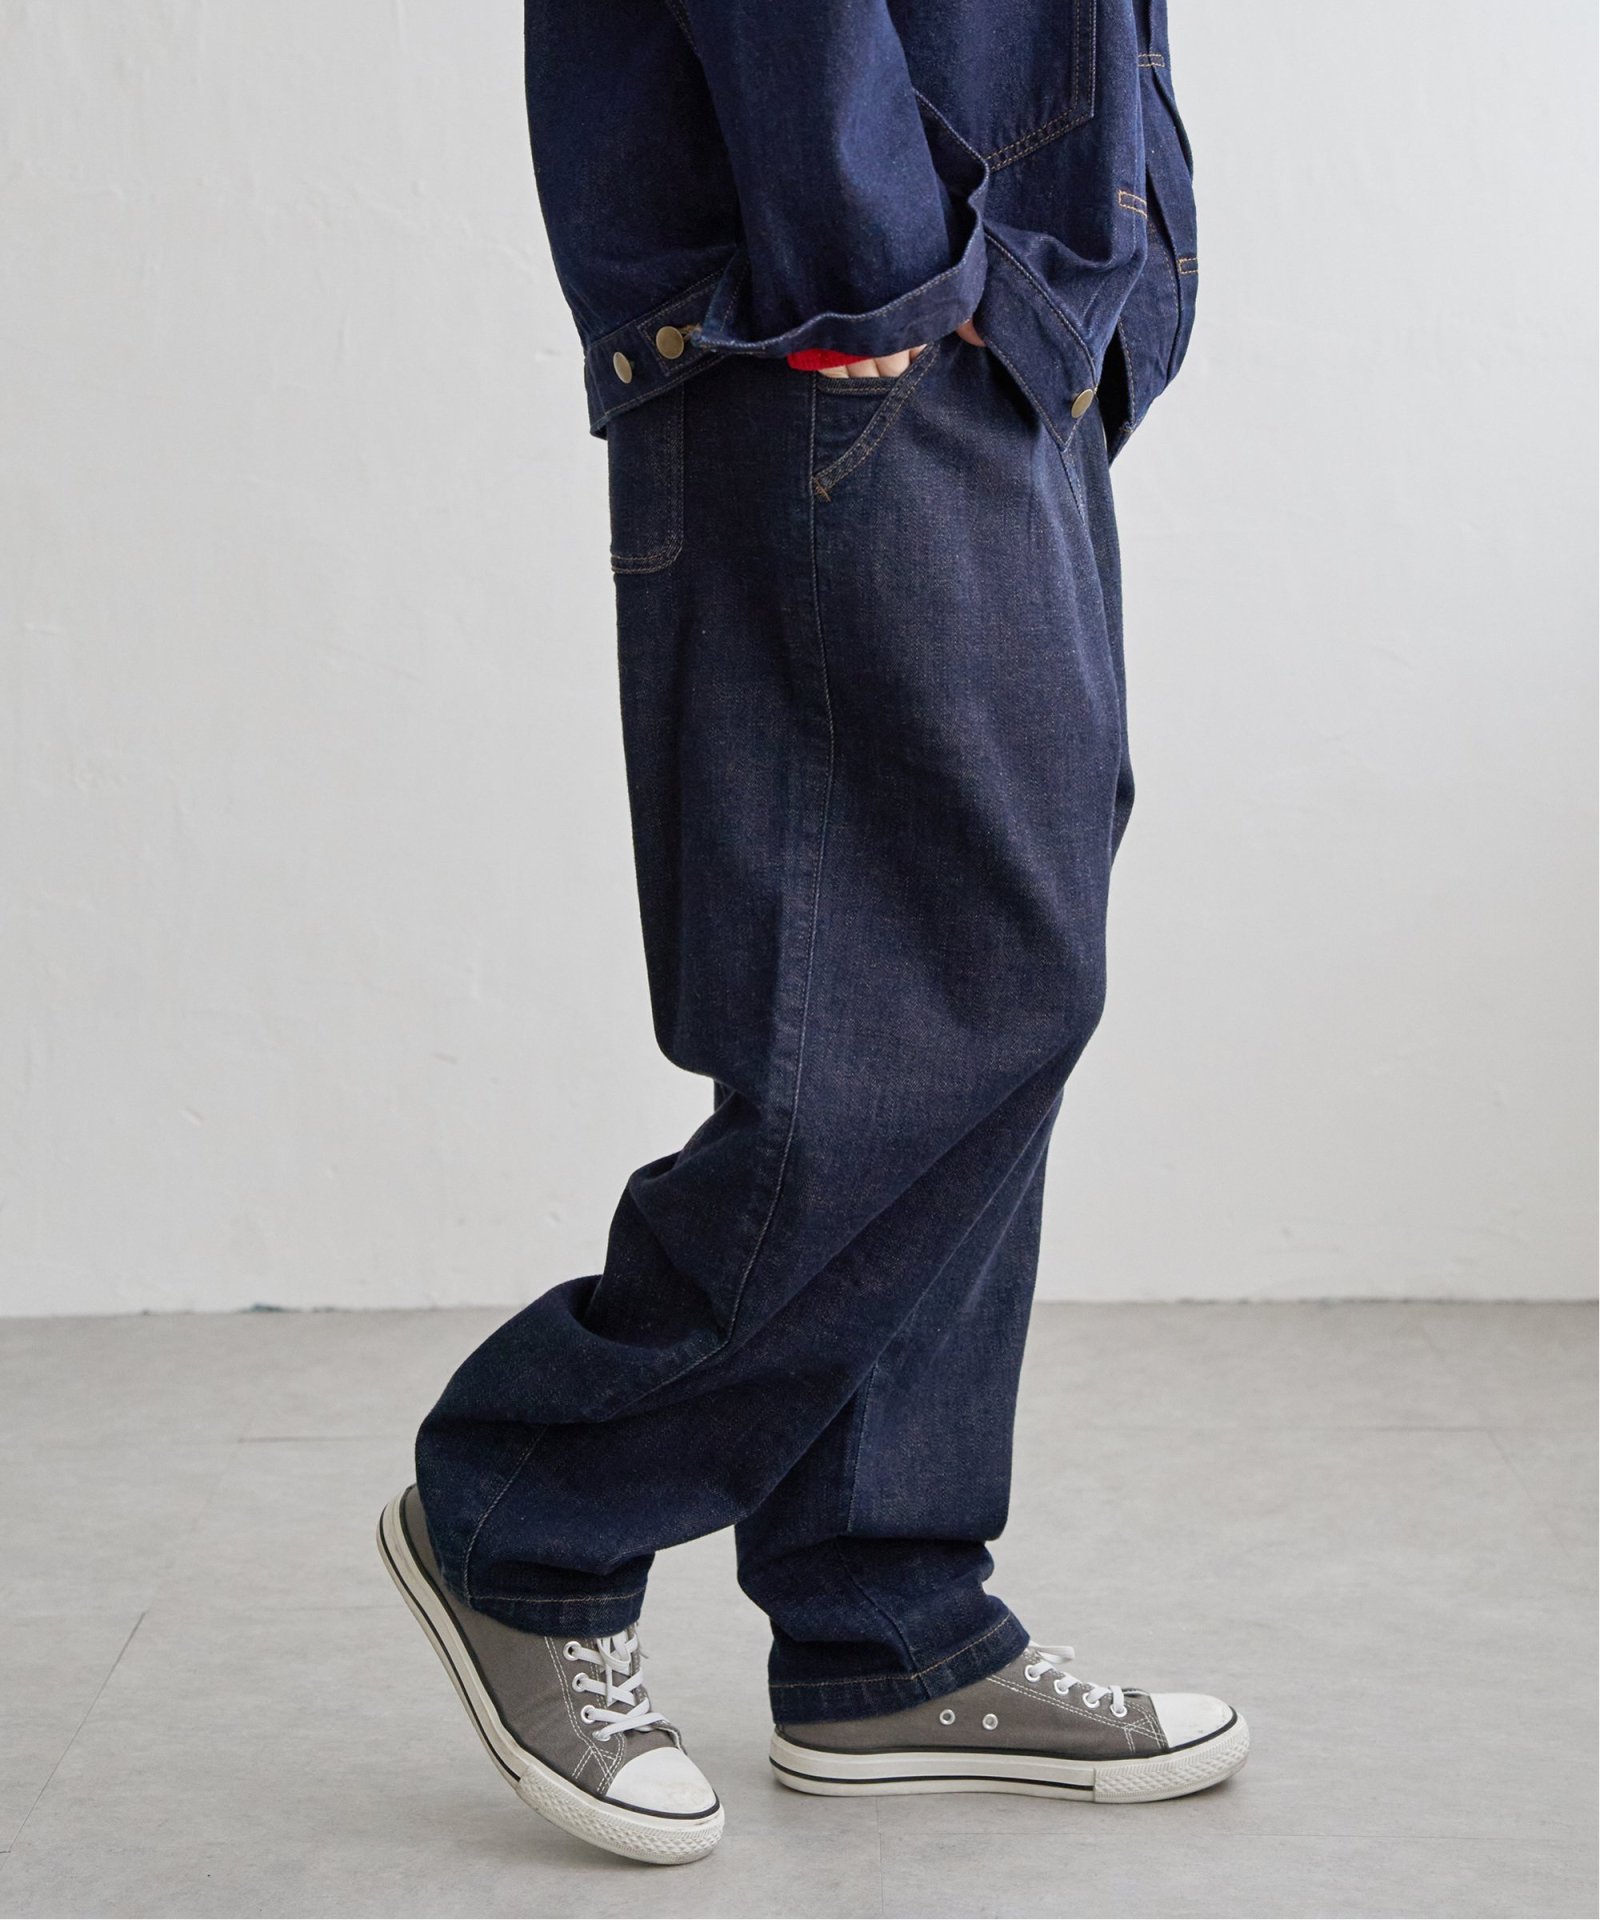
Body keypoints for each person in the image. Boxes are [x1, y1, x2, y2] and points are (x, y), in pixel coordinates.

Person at [378, 0, 1246, 1866]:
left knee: (953, 973)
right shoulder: (872, 285)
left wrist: (1120, 270)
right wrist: (873, 259)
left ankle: (884, 1621)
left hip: (1009, 313)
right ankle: (528, 1513)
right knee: (944, 990)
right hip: (847, 318)